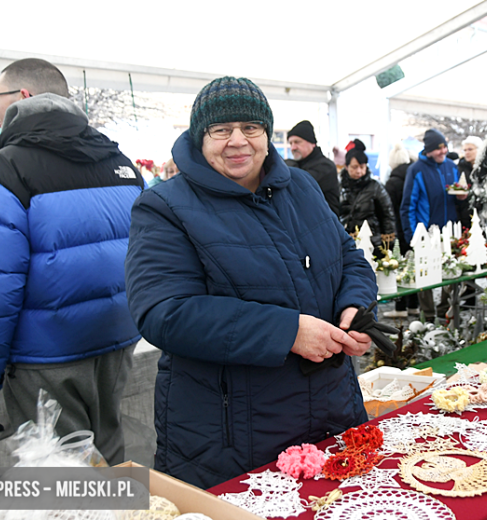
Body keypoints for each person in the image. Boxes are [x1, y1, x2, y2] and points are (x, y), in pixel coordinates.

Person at [124, 76, 377, 489]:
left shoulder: (302, 187)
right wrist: (288, 332)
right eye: (221, 130)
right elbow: (164, 312)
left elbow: (348, 257)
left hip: (332, 411)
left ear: (266, 133)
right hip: (232, 434)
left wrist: (355, 307)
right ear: (199, 138)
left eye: (250, 129)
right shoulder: (165, 206)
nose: (237, 141)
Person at [0, 58, 143, 464]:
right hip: (116, 341)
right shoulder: (120, 163)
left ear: (22, 97)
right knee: (107, 454)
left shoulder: (1, 171)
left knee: (57, 472)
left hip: (46, 355)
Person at [401, 129, 465, 321]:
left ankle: (445, 311)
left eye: (445, 147)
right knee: (425, 276)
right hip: (426, 232)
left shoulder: (451, 167)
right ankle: (428, 316)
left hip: (450, 233)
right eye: (438, 149)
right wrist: (412, 235)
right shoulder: (416, 170)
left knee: (451, 273)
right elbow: (407, 206)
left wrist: (462, 198)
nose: (443, 151)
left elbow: (458, 197)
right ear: (428, 150)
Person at [339, 139, 396, 247]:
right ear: (346, 167)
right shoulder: (339, 187)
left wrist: (388, 244)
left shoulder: (376, 187)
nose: (359, 171)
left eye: (362, 167)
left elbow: (387, 216)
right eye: (354, 167)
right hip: (346, 244)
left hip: (373, 244)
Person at [383, 142, 418, 318]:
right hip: (412, 228)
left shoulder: (392, 183)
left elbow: (388, 210)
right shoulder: (413, 176)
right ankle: (414, 305)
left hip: (397, 229)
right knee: (412, 266)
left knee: (398, 267)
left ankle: (401, 307)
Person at [286, 120, 340, 215]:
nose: (293, 148)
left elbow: (300, 185)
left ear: (312, 143)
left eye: (297, 142)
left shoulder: (326, 166)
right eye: (291, 143)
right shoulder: (296, 165)